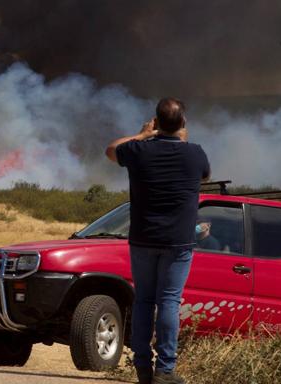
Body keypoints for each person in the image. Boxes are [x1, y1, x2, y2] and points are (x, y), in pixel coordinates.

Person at [105, 98, 210, 384]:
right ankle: (165, 370)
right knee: (168, 301)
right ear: (183, 124)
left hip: (142, 238)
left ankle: (142, 366)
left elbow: (111, 150)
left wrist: (142, 135)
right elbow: (205, 174)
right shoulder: (195, 154)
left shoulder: (139, 150)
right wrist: (182, 142)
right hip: (178, 242)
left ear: (156, 122)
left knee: (144, 301)